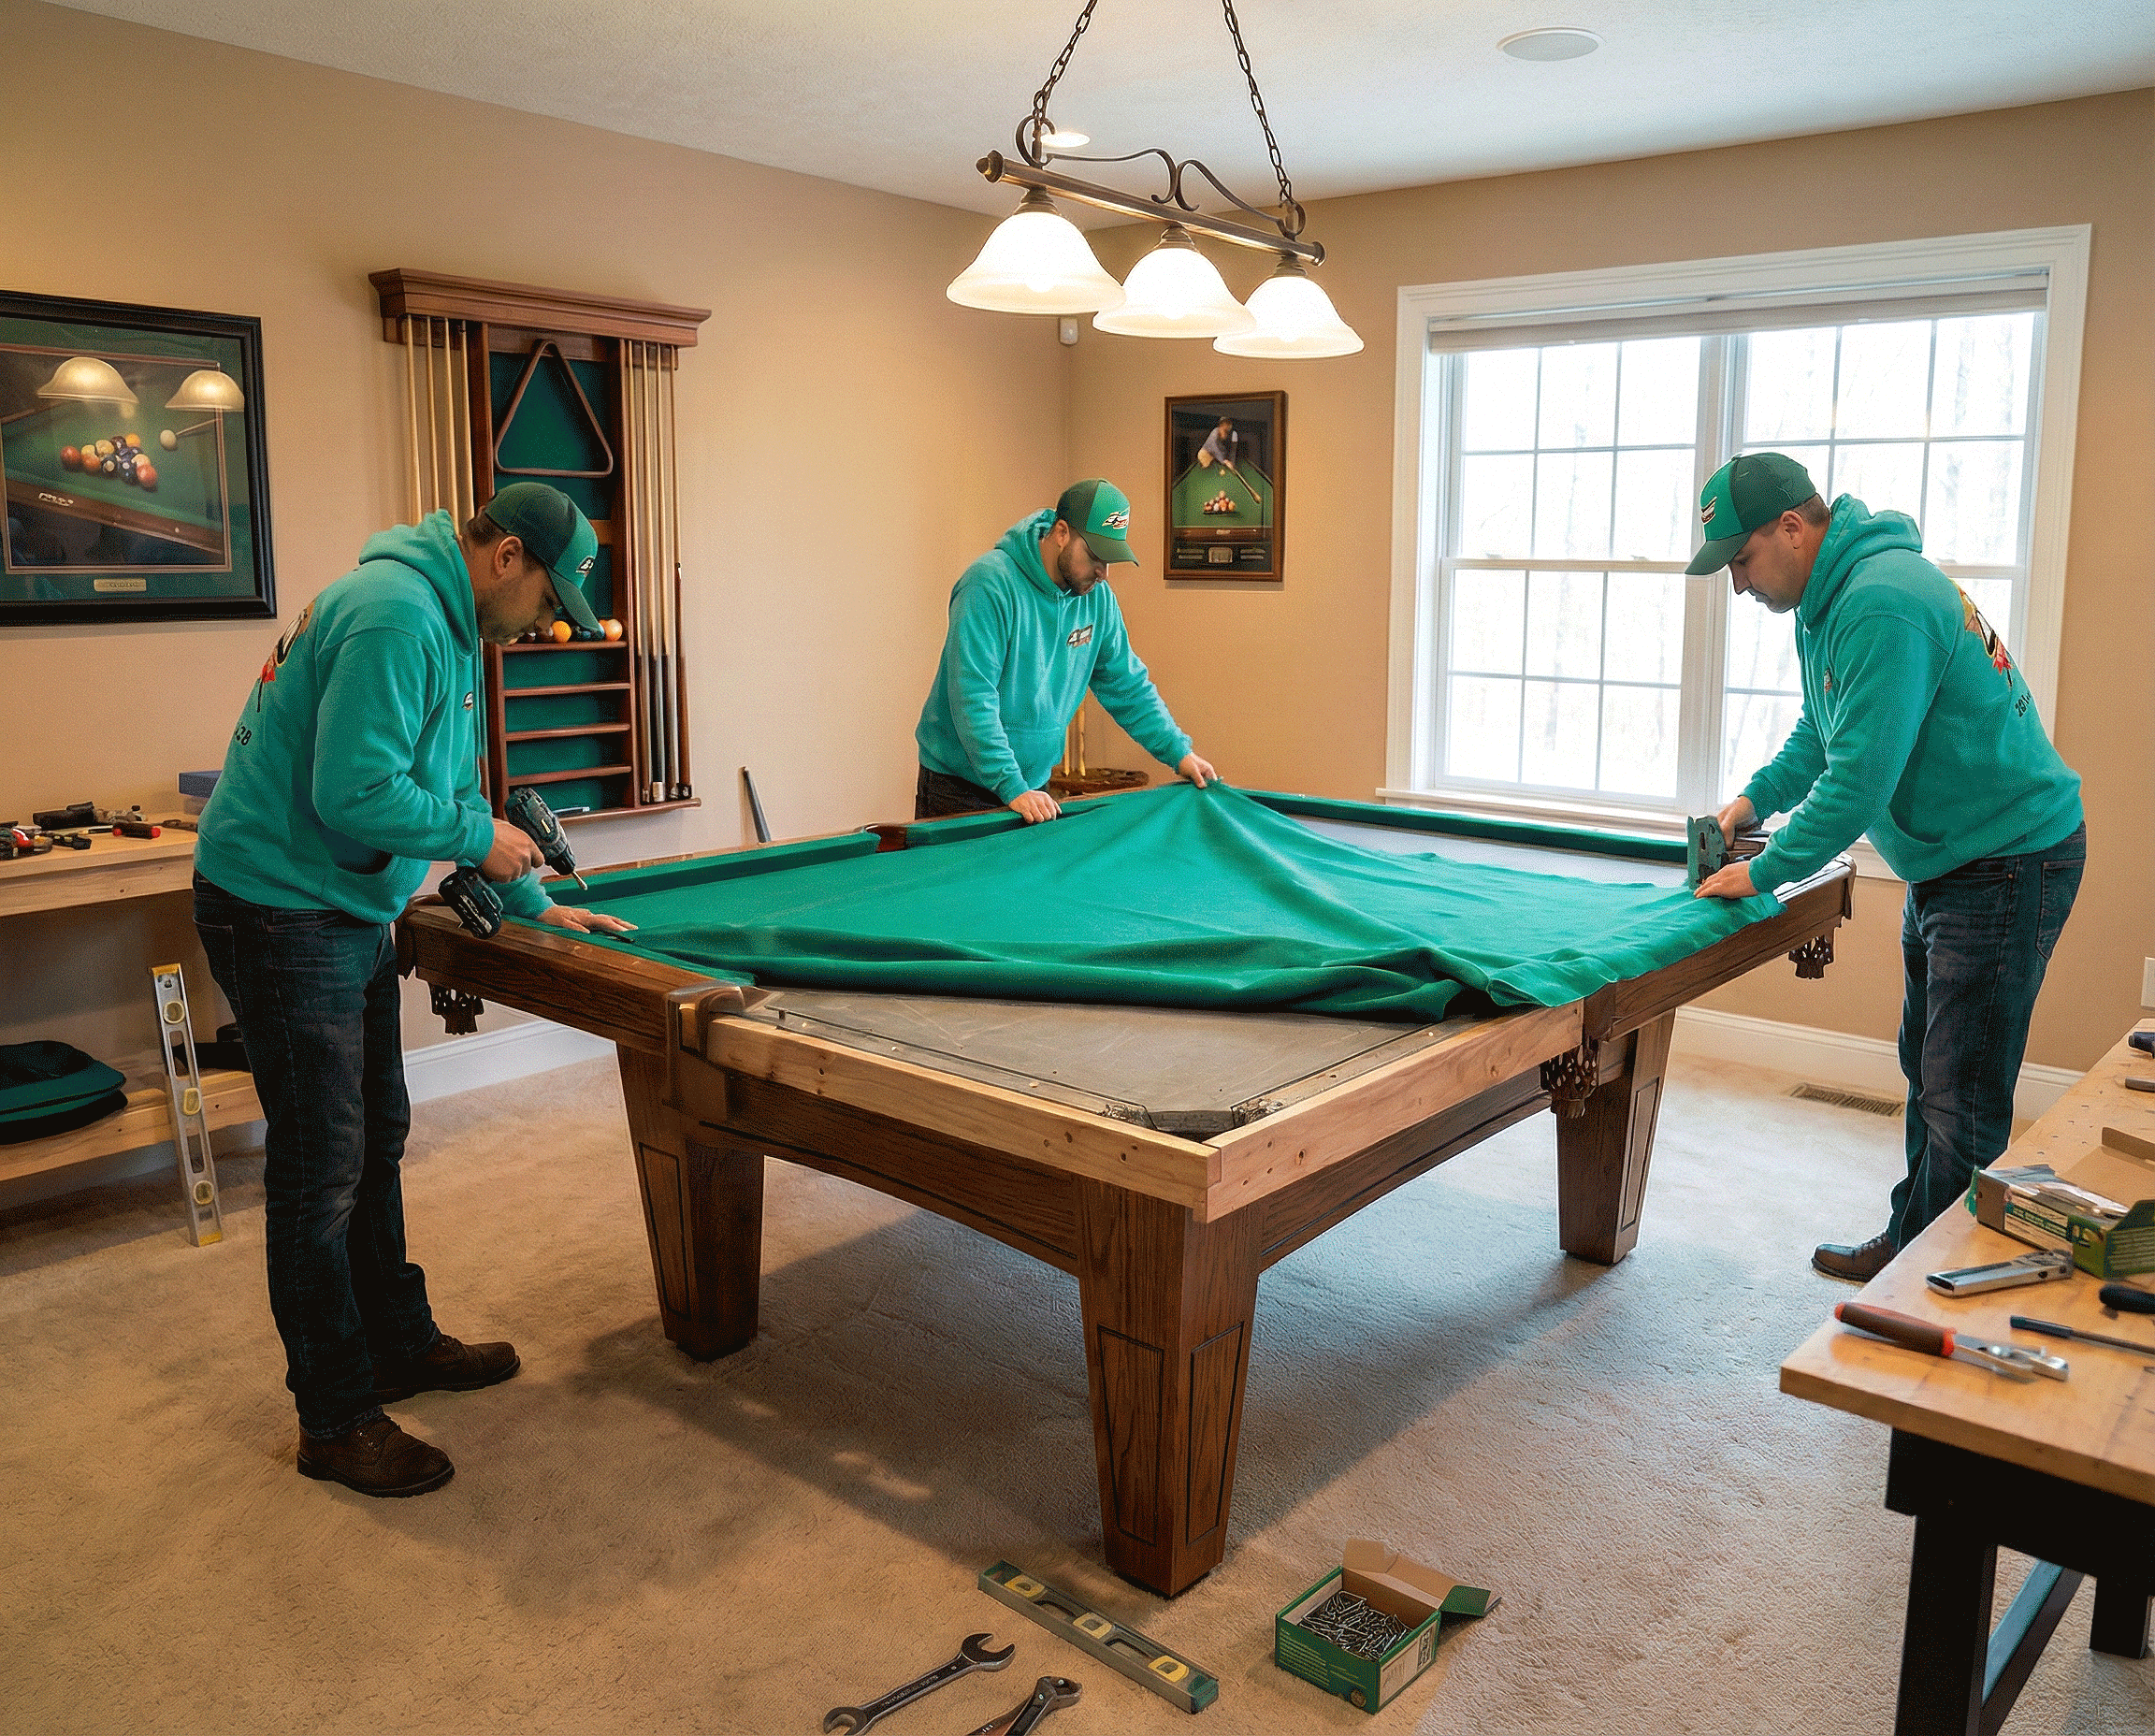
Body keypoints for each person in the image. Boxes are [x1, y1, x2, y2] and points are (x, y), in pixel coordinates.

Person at [193, 482, 634, 1496]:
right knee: (321, 1165)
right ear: (508, 556)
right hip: (278, 905)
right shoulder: (397, 614)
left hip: (339, 903)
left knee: (375, 1133)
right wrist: (480, 838)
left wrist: (530, 903)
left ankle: (397, 1340)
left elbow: (451, 784)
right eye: (547, 601)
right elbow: (353, 788)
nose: (543, 625)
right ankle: (336, 1418)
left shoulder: (446, 615)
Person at [1687, 452, 2084, 1281]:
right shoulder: (1825, 601)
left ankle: (1935, 1289)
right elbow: (1825, 731)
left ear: (1792, 527)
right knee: (1927, 1064)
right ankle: (1914, 1245)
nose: (1738, 585)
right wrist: (1752, 804)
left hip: (2009, 858)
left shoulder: (1882, 602)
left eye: (1741, 560)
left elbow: (1859, 783)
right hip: (1952, 859)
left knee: (1961, 1095)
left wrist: (1762, 875)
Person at [915, 478, 1216, 822]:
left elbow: (1128, 686)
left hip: (1031, 788)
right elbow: (972, 697)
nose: (1103, 572)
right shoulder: (988, 585)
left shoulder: (1097, 599)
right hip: (959, 789)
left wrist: (1179, 753)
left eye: (1111, 559)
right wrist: (1011, 786)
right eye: (1094, 556)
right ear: (1061, 533)